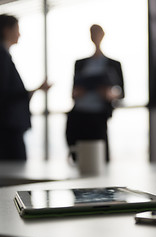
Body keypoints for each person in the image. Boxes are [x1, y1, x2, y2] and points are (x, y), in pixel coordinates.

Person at [0, 14, 51, 162]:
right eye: (17, 29)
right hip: (7, 127)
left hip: (5, 126)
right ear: (7, 30)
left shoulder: (0, 57)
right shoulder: (0, 58)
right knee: (13, 169)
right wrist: (35, 90)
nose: (19, 34)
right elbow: (4, 95)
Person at [66, 24, 124, 163]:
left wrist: (110, 93)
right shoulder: (80, 63)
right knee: (79, 155)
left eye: (97, 33)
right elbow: (73, 92)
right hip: (79, 114)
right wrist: (79, 92)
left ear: (103, 35)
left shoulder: (113, 64)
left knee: (100, 156)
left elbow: (121, 92)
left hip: (98, 115)